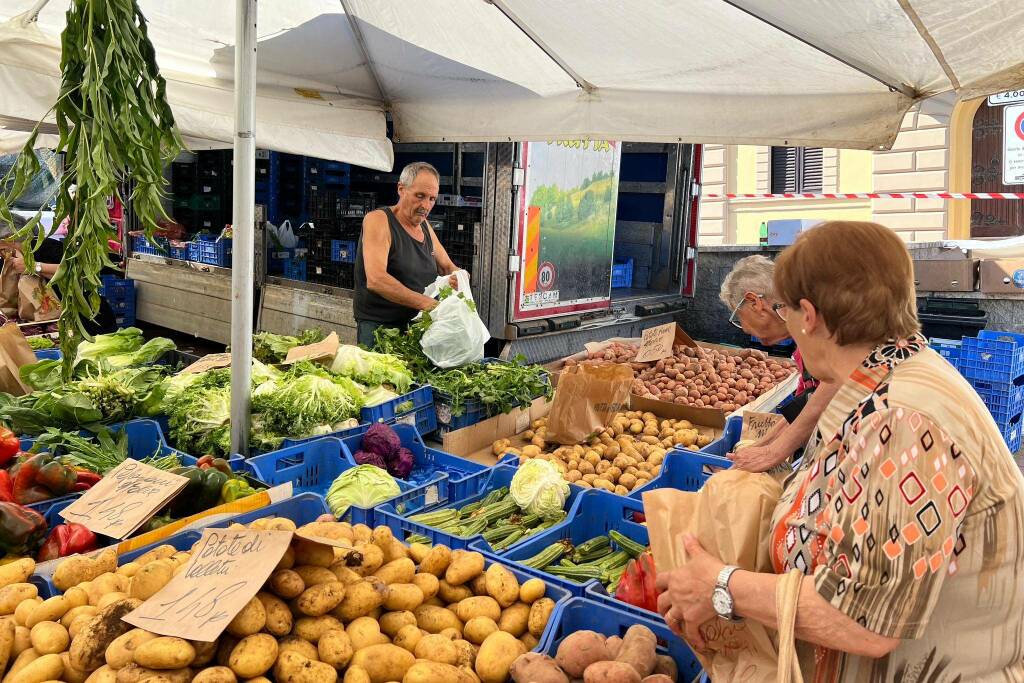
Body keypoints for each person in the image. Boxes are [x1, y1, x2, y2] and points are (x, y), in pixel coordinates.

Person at [656, 221, 1024, 681]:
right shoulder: (884, 374)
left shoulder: (903, 422)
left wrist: (721, 585)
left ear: (808, 315)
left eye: (785, 308)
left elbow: (863, 618)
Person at [719, 255, 839, 471]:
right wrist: (760, 446)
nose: (744, 328)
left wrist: (772, 453)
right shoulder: (802, 342)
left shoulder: (820, 316)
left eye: (740, 317)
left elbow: (834, 385)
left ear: (755, 302)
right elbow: (807, 404)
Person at [353, 161, 461, 348]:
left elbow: (447, 267)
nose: (425, 205)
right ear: (401, 189)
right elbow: (376, 279)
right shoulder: (378, 220)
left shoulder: (424, 226)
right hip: (380, 329)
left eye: (431, 199)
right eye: (420, 196)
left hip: (417, 326)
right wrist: (430, 305)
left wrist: (459, 277)